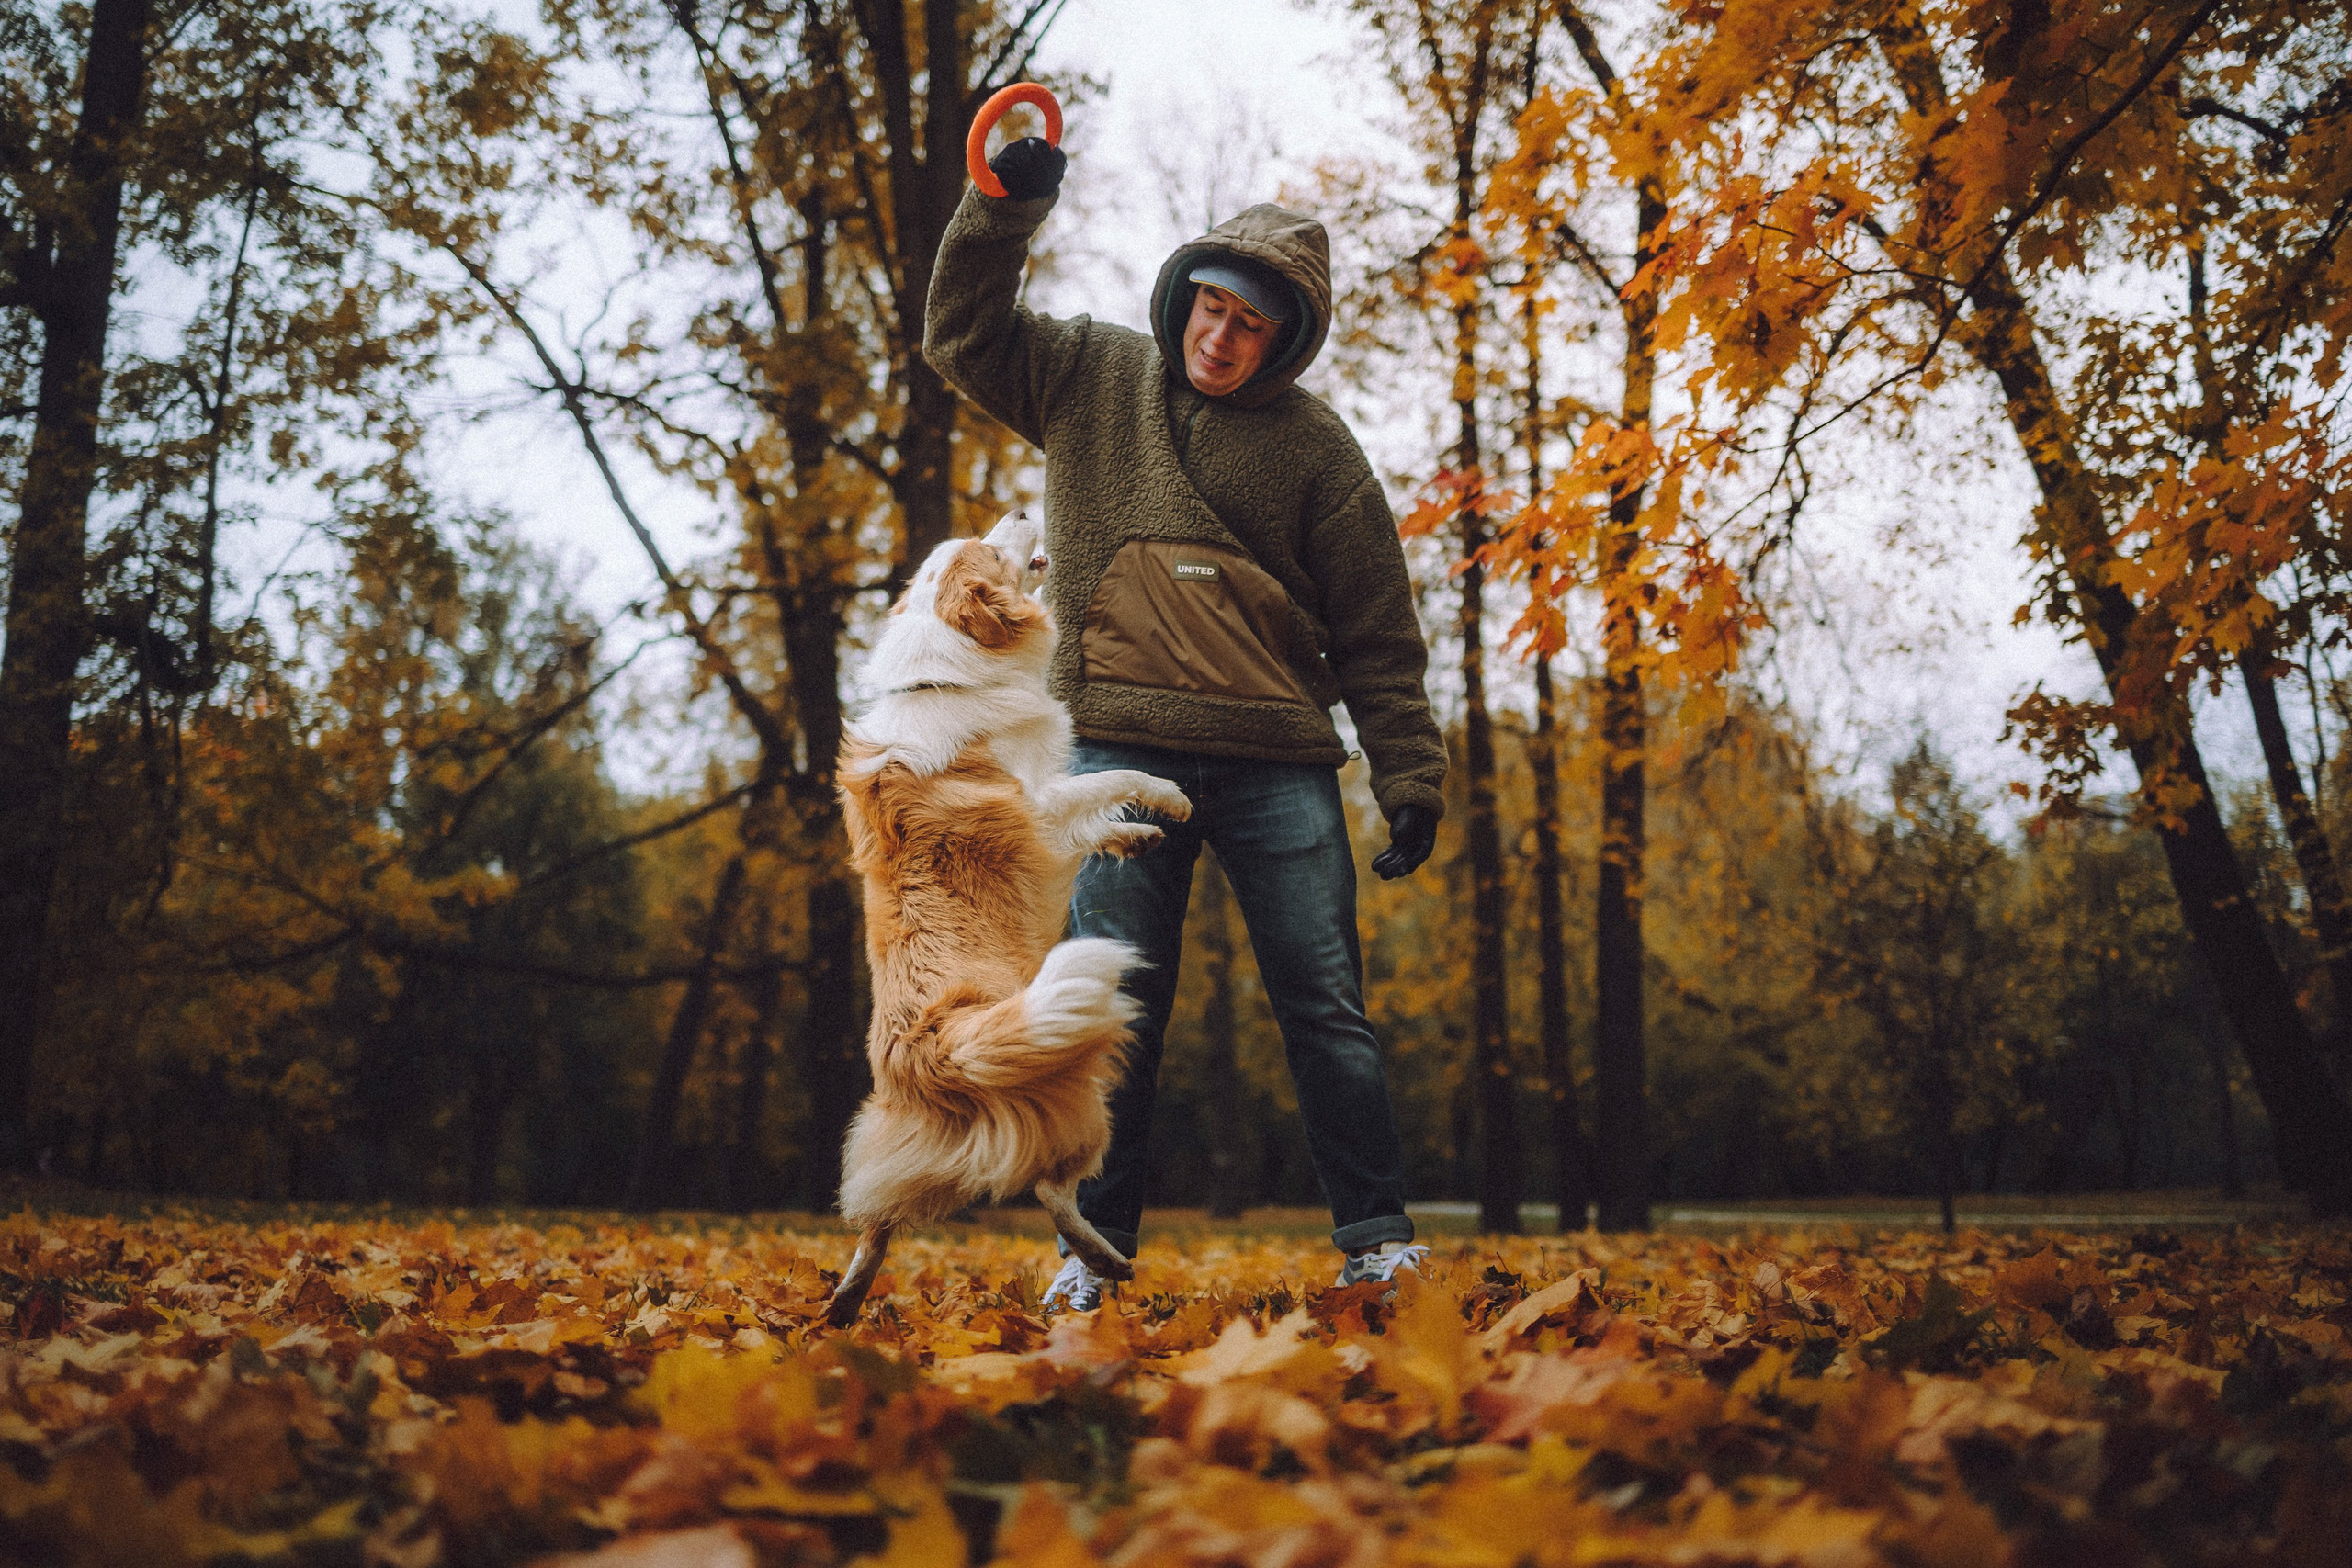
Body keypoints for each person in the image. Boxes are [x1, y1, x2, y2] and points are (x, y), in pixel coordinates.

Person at [923, 132, 1446, 1310]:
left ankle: (1378, 1243)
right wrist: (1000, 209)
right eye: (1208, 307)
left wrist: (1409, 772)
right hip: (1114, 750)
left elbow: (1376, 634)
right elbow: (957, 334)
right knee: (1110, 1016)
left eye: (1247, 323)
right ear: (1183, 300)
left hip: (1277, 763)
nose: (1218, 336)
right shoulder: (1087, 376)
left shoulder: (1321, 456)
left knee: (1326, 1010)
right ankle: (1088, 1257)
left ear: (1286, 339)